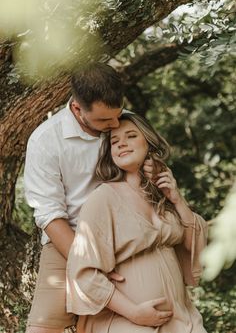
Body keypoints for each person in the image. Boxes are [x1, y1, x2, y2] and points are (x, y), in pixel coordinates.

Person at [24, 63, 169, 333]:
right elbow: (49, 216)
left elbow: (152, 164)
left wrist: (154, 170)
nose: (115, 124)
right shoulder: (45, 141)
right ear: (77, 108)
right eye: (105, 121)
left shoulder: (124, 120)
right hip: (70, 242)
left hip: (129, 237)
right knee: (42, 329)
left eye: (118, 114)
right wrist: (89, 263)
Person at [66, 112, 208, 333]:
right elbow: (84, 272)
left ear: (149, 144)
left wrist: (177, 199)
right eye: (114, 141)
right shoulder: (102, 198)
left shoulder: (163, 196)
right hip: (126, 322)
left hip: (181, 319)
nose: (121, 143)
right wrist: (134, 313)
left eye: (131, 136)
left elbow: (194, 246)